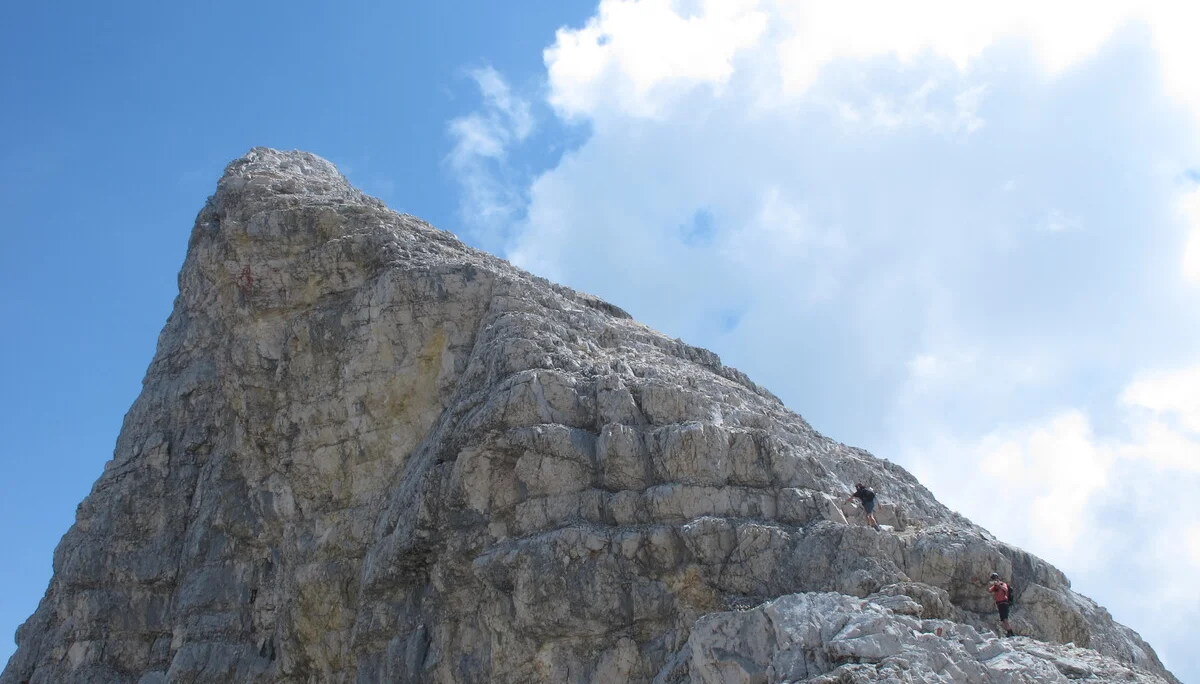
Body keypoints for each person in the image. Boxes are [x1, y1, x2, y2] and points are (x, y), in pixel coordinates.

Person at [987, 572, 1015, 637]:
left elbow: (1006, 589)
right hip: (1000, 604)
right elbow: (989, 590)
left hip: (1004, 603)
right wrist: (989, 584)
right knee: (1003, 619)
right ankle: (1010, 632)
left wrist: (999, 585)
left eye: (994, 578)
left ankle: (1010, 632)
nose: (994, 580)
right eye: (993, 579)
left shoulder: (1002, 584)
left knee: (1005, 619)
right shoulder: (995, 586)